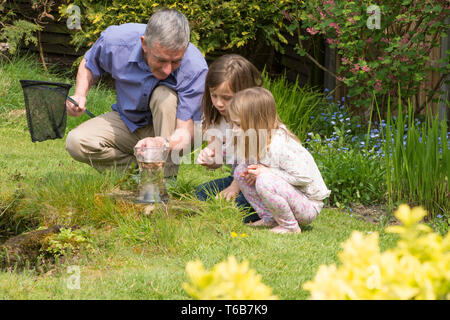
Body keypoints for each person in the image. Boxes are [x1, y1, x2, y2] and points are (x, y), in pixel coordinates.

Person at [65, 9, 208, 178]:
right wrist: (80, 94)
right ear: (144, 44)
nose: (168, 69)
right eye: (161, 60)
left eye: (176, 61)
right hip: (128, 121)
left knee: (165, 96)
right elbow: (89, 63)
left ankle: (165, 182)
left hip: (174, 130)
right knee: (76, 142)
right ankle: (139, 177)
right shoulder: (116, 42)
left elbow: (185, 132)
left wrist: (163, 144)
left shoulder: (195, 67)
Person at [228, 87, 331, 234]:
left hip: (307, 205)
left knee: (265, 179)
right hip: (288, 196)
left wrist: (267, 172)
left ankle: (290, 226)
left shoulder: (279, 144)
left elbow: (303, 178)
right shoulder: (256, 140)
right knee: (240, 171)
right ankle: (269, 217)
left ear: (256, 123)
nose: (234, 129)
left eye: (238, 125)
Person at [194, 54, 261, 223]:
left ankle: (267, 210)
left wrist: (234, 188)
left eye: (226, 98)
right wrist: (210, 159)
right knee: (200, 194)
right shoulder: (217, 117)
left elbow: (252, 164)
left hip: (258, 182)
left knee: (236, 208)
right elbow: (216, 159)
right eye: (214, 95)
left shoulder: (253, 118)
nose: (218, 103)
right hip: (236, 178)